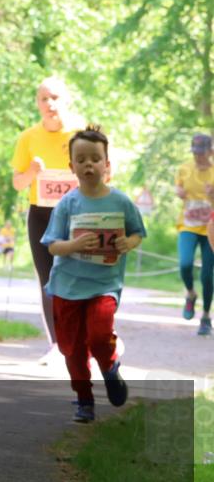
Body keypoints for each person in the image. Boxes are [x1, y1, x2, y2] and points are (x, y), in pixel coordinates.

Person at [41, 126, 145, 423]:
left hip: (104, 284)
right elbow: (52, 247)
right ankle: (84, 399)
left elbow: (138, 233)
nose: (89, 164)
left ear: (106, 165)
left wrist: (128, 242)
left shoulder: (121, 202)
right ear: (71, 166)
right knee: (71, 349)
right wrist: (73, 245)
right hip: (68, 287)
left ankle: (110, 367)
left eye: (95, 159)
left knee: (100, 335)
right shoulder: (68, 204)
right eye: (82, 159)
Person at [11, 76, 81, 364]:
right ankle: (57, 344)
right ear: (38, 103)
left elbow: (105, 174)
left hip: (77, 216)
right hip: (41, 214)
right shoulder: (28, 137)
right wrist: (31, 171)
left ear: (67, 100)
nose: (50, 103)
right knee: (48, 280)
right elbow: (17, 183)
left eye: (55, 97)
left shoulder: (81, 134)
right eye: (44, 98)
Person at [175, 133, 214, 335]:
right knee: (185, 264)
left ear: (210, 151)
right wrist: (178, 192)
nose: (199, 156)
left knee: (208, 275)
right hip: (188, 225)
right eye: (195, 152)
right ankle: (190, 293)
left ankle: (206, 317)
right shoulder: (184, 168)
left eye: (202, 153)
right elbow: (178, 188)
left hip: (211, 228)